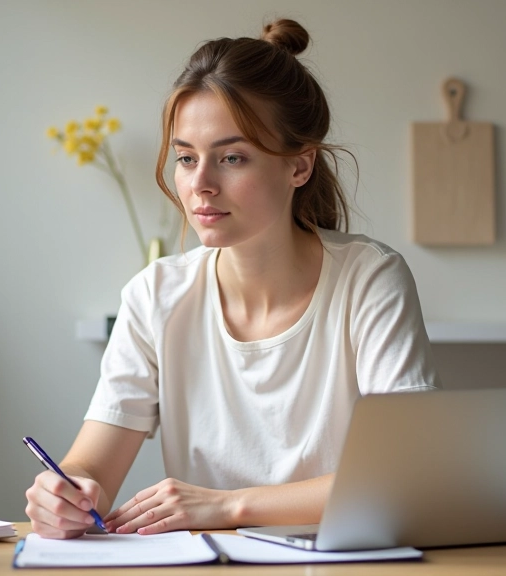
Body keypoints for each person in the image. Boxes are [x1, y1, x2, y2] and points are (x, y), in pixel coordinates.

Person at [25, 18, 441, 539]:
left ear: (300, 166)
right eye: (185, 158)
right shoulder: (155, 296)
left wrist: (228, 506)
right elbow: (92, 468)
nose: (200, 184)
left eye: (232, 158)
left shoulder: (370, 279)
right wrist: (65, 493)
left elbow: (405, 475)